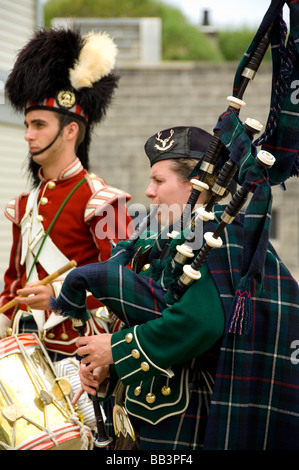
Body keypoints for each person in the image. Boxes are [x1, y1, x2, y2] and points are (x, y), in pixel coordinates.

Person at [51, 123, 299, 450]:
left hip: (187, 425)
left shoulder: (218, 235)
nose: (149, 191)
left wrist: (116, 349)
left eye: (158, 180)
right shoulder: (166, 241)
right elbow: (151, 314)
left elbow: (198, 322)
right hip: (147, 416)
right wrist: (108, 369)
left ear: (196, 183)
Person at [0, 28, 132, 359]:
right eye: (27, 124)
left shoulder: (102, 201)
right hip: (27, 355)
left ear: (70, 129)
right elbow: (13, 283)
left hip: (79, 359)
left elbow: (125, 287)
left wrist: (59, 298)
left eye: (39, 124)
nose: (28, 135)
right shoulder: (25, 206)